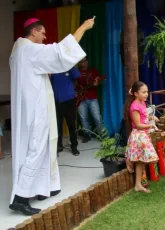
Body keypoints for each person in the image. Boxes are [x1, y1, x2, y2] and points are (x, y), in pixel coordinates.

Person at [9, 17, 94, 215]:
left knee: (40, 147)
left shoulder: (17, 51)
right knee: (36, 148)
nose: (45, 37)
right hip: (35, 109)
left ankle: (41, 188)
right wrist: (83, 27)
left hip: (27, 108)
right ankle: (21, 198)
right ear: (33, 32)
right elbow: (60, 52)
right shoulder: (29, 49)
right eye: (43, 33)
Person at [124, 81, 159, 193]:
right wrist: (151, 125)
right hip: (138, 136)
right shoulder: (135, 106)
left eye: (147, 92)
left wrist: (151, 118)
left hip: (143, 135)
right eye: (143, 92)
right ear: (135, 93)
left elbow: (143, 119)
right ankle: (138, 184)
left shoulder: (142, 103)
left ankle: (138, 184)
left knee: (140, 161)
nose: (146, 94)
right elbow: (138, 124)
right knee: (140, 160)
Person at [50, 67, 81, 156]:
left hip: (69, 102)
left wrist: (69, 65)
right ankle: (59, 145)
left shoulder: (69, 68)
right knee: (57, 125)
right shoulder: (53, 69)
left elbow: (77, 75)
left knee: (71, 125)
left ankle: (74, 146)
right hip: (56, 102)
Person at [76, 57, 104, 143]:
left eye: (84, 61)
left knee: (97, 117)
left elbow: (99, 80)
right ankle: (87, 135)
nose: (83, 63)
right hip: (80, 98)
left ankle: (102, 135)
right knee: (83, 118)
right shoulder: (76, 72)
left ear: (87, 62)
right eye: (81, 61)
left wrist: (97, 82)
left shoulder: (93, 71)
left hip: (92, 97)